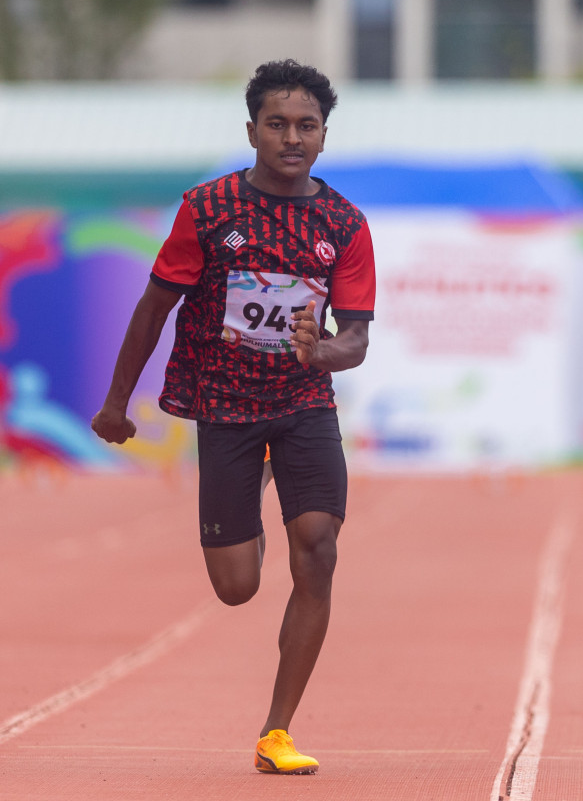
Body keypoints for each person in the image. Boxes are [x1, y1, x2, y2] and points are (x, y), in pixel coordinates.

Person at [91, 60, 376, 775]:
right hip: (224, 404)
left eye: (306, 126)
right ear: (251, 131)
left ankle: (276, 732)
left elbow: (357, 339)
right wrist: (116, 403)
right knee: (237, 587)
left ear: (324, 136)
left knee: (318, 550)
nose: (291, 137)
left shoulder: (343, 224)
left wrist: (322, 354)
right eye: (276, 124)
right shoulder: (208, 210)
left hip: (304, 404)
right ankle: (248, 489)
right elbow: (154, 307)